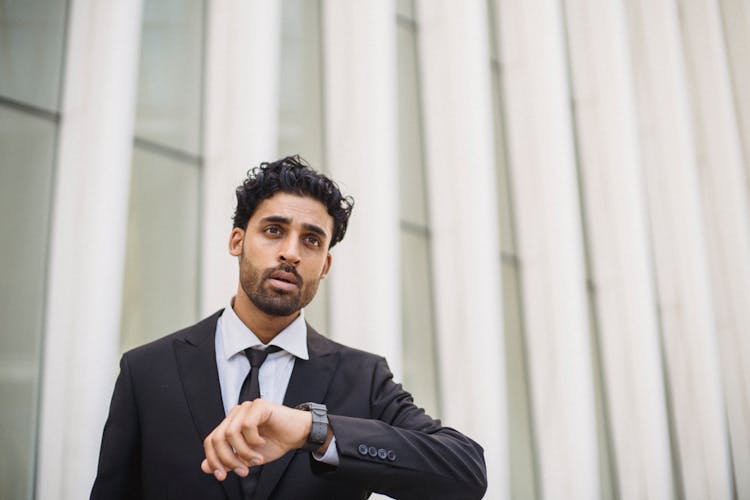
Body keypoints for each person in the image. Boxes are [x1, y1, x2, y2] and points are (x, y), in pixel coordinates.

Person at [90, 156, 487, 500]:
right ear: (237, 241)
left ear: (325, 266)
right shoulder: (146, 370)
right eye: (274, 231)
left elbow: (465, 473)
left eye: (312, 241)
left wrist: (315, 431)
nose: (291, 253)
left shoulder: (362, 378)